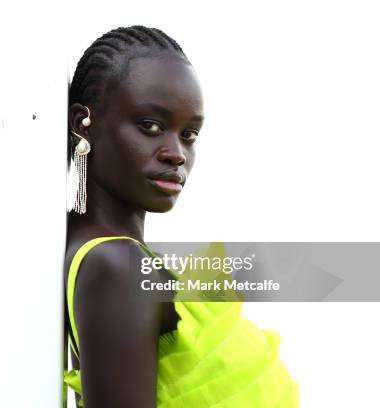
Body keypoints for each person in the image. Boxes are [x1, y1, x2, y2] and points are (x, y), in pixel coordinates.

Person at [63, 26, 299, 407]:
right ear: (82, 123)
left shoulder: (111, 260)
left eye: (189, 134)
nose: (176, 153)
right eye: (151, 126)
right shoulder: (116, 265)